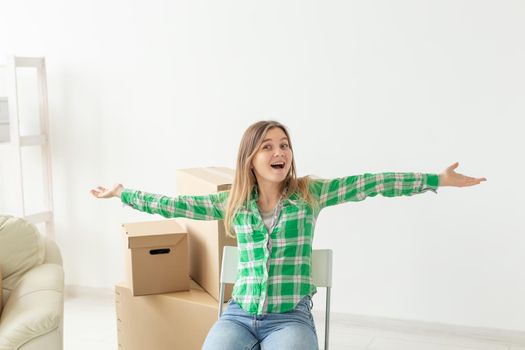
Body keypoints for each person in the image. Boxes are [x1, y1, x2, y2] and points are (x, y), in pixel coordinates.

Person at [91, 120, 486, 350]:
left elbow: (370, 183)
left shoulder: (310, 194)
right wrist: (123, 193)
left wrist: (436, 179)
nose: (280, 152)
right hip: (239, 315)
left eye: (284, 145)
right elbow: (173, 205)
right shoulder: (232, 204)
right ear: (250, 159)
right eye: (267, 146)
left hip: (289, 319)